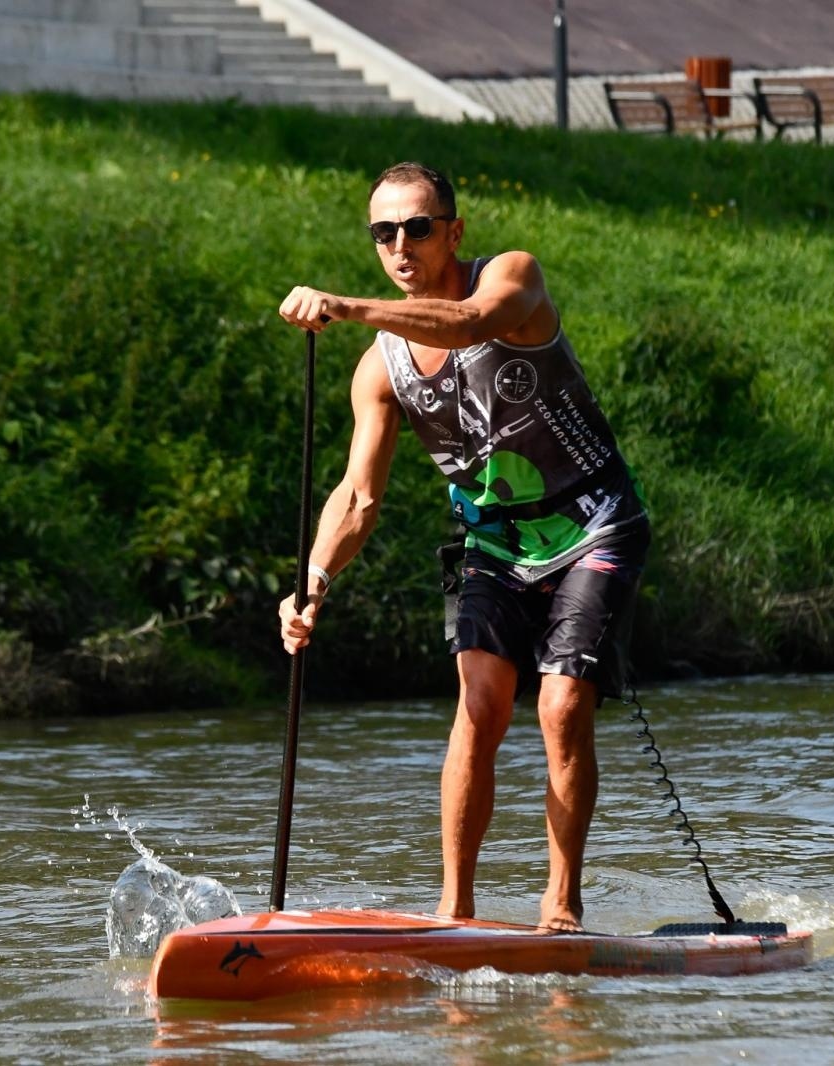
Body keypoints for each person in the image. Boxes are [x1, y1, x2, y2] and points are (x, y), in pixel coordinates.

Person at [276, 161, 651, 932]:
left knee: (560, 704)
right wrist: (312, 581)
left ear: (454, 230)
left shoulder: (513, 279)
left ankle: (561, 905)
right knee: (479, 707)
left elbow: (468, 324)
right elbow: (357, 496)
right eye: (384, 232)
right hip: (491, 540)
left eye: (417, 227)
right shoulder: (378, 371)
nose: (401, 245)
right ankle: (454, 911)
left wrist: (346, 306)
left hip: (592, 523)